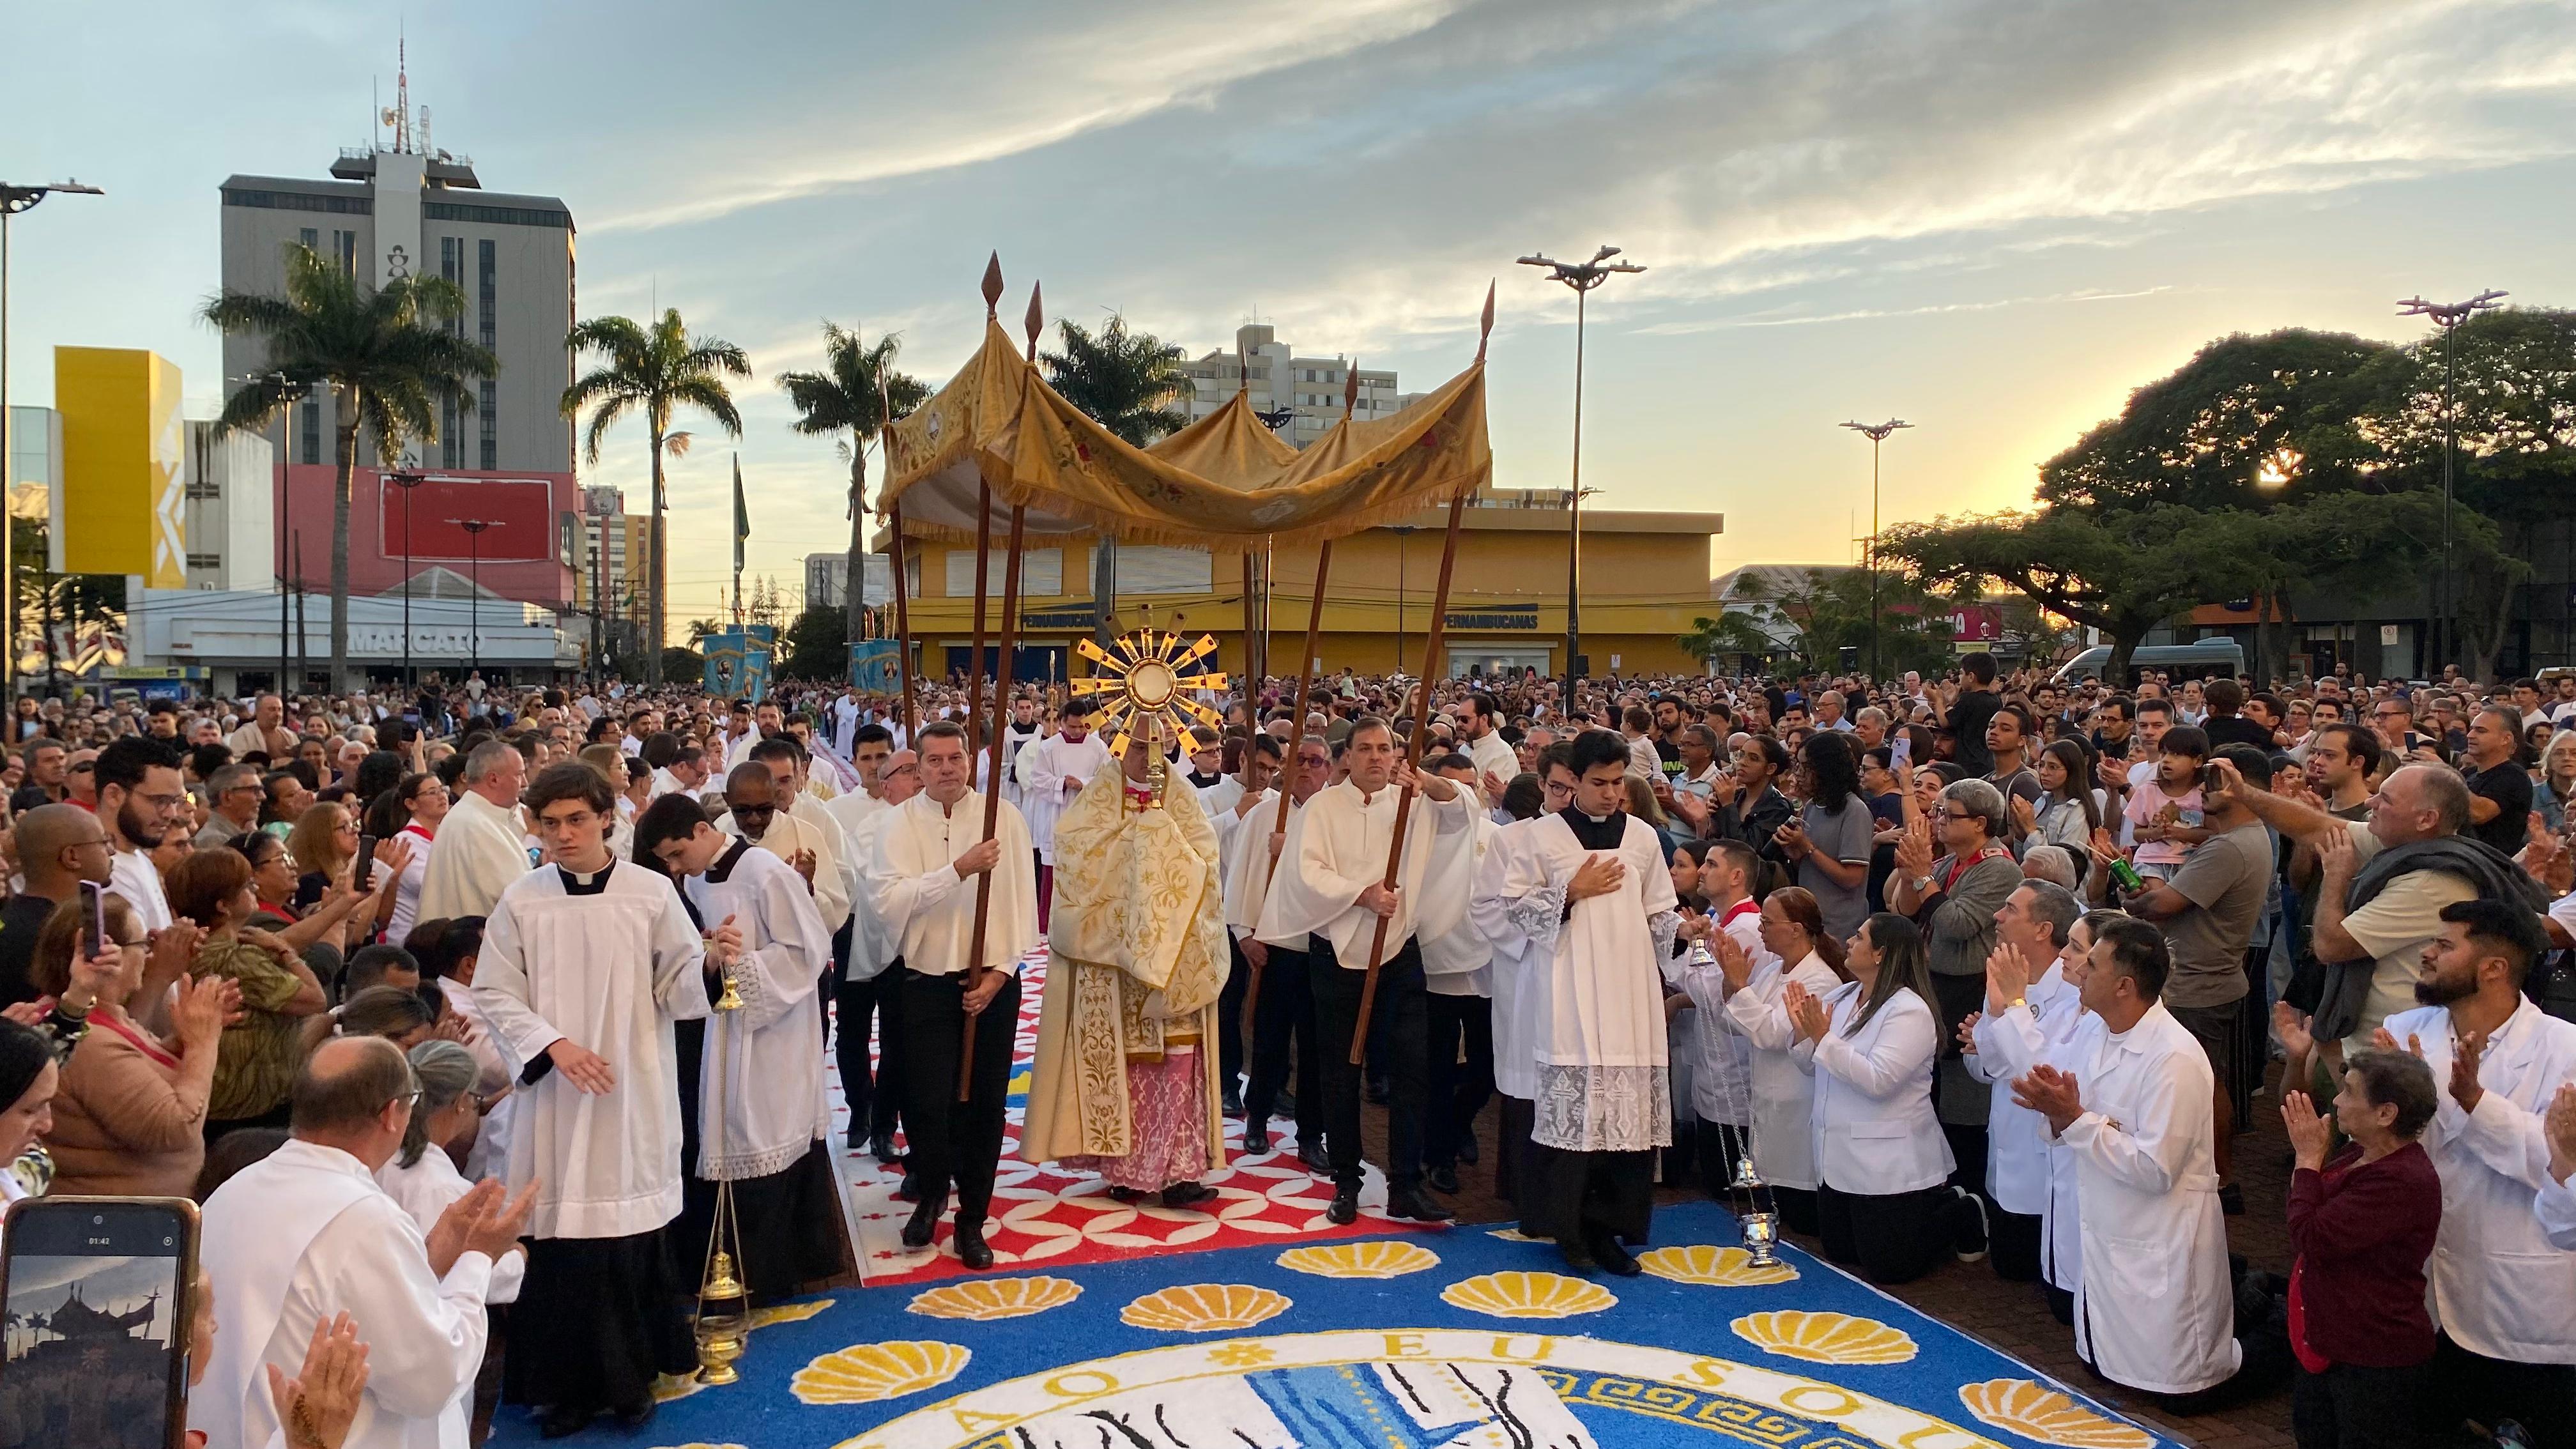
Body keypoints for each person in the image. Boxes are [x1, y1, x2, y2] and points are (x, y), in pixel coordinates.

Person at [470, 762, 714, 1436]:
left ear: (607, 816)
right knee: (561, 1248)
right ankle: (565, 1391)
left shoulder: (650, 892)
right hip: (557, 1099)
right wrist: (553, 1045)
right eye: (549, 823)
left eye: (576, 819)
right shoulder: (523, 899)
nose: (562, 834)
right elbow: (493, 991)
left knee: (625, 1242)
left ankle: (632, 1384)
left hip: (630, 1086)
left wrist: (712, 965)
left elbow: (679, 986)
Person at [194, 1036, 531, 1449]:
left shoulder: (235, 1190)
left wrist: (430, 1262)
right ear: (393, 1114)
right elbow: (433, 1378)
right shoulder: (363, 1217)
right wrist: (478, 1258)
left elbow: (328, 1303)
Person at [2368, 899, 2576, 1447]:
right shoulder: (2405, 1028)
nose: (2428, 953)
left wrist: (2474, 1102)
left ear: (2494, 968)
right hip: (2422, 1294)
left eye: (2445, 944)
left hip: (2519, 1305)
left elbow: (2556, 1164)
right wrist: (2389, 1109)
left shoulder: (2564, 1048)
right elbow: (2381, 1153)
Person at [1474, 728, 1680, 1273]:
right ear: (1576, 782)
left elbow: (1659, 909)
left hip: (1630, 989)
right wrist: (1570, 893)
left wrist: (1687, 932)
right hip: (1567, 986)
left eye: (1618, 782)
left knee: (1624, 1119)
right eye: (1598, 783)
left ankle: (1610, 1230)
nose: (1610, 793)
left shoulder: (1640, 837)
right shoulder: (1541, 837)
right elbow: (1513, 908)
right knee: (1576, 1114)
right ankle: (1567, 1229)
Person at [2012, 915, 2241, 1402]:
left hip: (2159, 1234)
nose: (2075, 969)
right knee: (2103, 1369)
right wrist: (2055, 1111)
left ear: (2123, 986)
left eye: (2090, 962)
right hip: (2107, 1229)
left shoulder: (2174, 1057)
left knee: (2176, 1390)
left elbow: (2156, 1168)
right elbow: (2074, 1120)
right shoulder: (2096, 1031)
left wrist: (2073, 1118)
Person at [636, 792, 846, 1303]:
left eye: (676, 852)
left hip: (774, 1032)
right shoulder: (697, 878)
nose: (673, 866)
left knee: (766, 1132)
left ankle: (786, 1269)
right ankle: (739, 1267)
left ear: (702, 831)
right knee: (729, 1132)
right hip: (725, 1028)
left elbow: (809, 948)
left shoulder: (763, 871)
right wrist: (712, 958)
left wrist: (742, 967)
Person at [1266, 716, 1474, 1229]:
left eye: (1386, 749)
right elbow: (1306, 872)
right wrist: (1360, 895)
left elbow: (1466, 810)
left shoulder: (1414, 800)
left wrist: (1431, 782)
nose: (1377, 758)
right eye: (1366, 749)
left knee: (1411, 1070)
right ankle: (1346, 1181)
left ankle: (1406, 1184)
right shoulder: (1322, 808)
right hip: (1336, 954)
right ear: (1348, 757)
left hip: (1399, 951)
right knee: (1341, 1071)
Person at [1023, 728, 1229, 1211]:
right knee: (1121, 1066)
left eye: (1158, 747)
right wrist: (1136, 841)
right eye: (1139, 747)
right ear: (1122, 748)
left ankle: (1180, 1173)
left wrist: (1163, 837)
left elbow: (1206, 861)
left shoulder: (1181, 800)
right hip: (1113, 966)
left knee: (1180, 1060)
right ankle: (1126, 1171)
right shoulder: (1097, 800)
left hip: (1175, 959)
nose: (1149, 757)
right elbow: (1075, 860)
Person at [869, 721, 1039, 1271]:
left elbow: (1021, 903)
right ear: (918, 768)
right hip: (925, 983)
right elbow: (891, 902)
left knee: (985, 1104)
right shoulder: (898, 824)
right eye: (935, 760)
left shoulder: (1001, 818)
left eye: (956, 758)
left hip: (990, 984)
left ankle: (973, 1219)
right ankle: (933, 1192)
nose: (947, 769)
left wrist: (999, 975)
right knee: (927, 1102)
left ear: (971, 761)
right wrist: (959, 870)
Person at [2106, 742, 2275, 1208]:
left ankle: (2217, 1180)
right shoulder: (2242, 839)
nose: (2204, 788)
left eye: (2216, 780)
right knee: (2208, 1080)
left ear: (2245, 787)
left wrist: (2134, 895)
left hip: (2198, 982)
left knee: (2201, 1086)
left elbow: (2162, 907)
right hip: (2209, 976)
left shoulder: (2230, 846)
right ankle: (2218, 1178)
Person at [1788, 913, 1964, 1284]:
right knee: (1841, 1254)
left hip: (1887, 1164)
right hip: (1836, 1155)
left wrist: (1823, 1038)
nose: (1849, 942)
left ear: (1881, 954)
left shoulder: (1909, 1011)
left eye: (1860, 936)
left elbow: (1880, 1081)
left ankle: (1958, 1211)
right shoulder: (1842, 995)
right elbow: (1810, 1065)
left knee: (1890, 1271)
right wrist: (1802, 1032)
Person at [2278, 1050, 2441, 1449]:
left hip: (2373, 1359)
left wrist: (2306, 1161)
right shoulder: (2360, 1155)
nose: (2336, 1100)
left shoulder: (2401, 1181)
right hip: (2333, 1345)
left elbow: (2312, 1236)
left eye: (2349, 1092)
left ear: (2386, 1113)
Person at [1890, 776, 2020, 1252]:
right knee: (1942, 1099)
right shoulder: (1948, 861)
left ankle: (1978, 1211)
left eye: (1950, 814)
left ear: (1981, 823)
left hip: (1969, 988)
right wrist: (1910, 873)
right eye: (1938, 813)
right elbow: (1905, 910)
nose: (1939, 820)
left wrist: (1924, 878)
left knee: (1966, 1107)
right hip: (1938, 985)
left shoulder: (1998, 869)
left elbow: (1958, 924)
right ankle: (1957, 1200)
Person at [36, 893, 231, 1196]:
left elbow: (138, 1073)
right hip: (125, 1227)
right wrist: (202, 1044)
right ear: (104, 956)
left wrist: (185, 1036)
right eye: (143, 945)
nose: (150, 955)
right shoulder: (88, 1044)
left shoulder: (101, 1019)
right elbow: (174, 1128)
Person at [1702, 875, 1844, 1233]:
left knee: (1800, 1214)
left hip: (1798, 1100)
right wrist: (1729, 980)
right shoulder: (1772, 971)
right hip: (1767, 1098)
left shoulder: (1820, 980)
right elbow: (1731, 1022)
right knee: (1772, 1197)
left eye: (1768, 922)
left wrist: (1738, 986)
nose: (1761, 929)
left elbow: (1771, 1035)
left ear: (1796, 929)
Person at [1959, 882, 2082, 1282]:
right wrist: (1992, 1031)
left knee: (2049, 1281)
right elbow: (1982, 1069)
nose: (1997, 916)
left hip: (2047, 1157)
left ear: (2043, 930)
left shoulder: (2073, 993)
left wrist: (1998, 1027)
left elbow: (2041, 1074)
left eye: (2010, 909)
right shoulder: (2006, 976)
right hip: (2007, 1147)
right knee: (2009, 1267)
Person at [170, 848, 329, 1140]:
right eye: (245, 886)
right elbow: (315, 1000)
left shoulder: (192, 948)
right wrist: (287, 953)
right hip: (251, 1113)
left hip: (218, 1102)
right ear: (223, 906)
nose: (254, 886)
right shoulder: (238, 960)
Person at [1234, 734, 1334, 1168]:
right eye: (1300, 761)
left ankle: (1311, 1135)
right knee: (1270, 1039)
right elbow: (1240, 873)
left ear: (1330, 768)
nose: (1308, 768)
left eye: (1317, 761)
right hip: (1276, 944)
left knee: (1317, 1048)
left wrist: (1289, 849)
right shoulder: (1263, 815)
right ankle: (1257, 1117)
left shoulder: (1337, 816)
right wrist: (1244, 933)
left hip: (1325, 945)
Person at [835, 746, 917, 1160]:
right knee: (866, 1035)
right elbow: (875, 888)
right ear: (886, 786)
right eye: (909, 771)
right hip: (871, 943)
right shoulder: (871, 829)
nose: (920, 776)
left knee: (903, 1042)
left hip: (916, 947)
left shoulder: (934, 821)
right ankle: (868, 1116)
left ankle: (893, 1126)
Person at [0, 804, 117, 1007]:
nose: (112, 851)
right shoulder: (58, 936)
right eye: (103, 842)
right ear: (72, 857)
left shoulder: (12, 918)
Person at [417, 742, 529, 922]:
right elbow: (520, 896)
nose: (525, 783)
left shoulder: (477, 816)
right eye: (519, 775)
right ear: (493, 779)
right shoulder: (474, 825)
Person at [1023, 703, 1110, 926]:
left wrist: (1083, 783)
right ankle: (1049, 922)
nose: (1077, 731)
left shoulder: (1098, 747)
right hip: (1057, 811)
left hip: (1088, 814)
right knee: (1055, 865)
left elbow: (1108, 778)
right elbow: (1037, 779)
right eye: (1072, 726)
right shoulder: (1050, 747)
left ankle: (1087, 921)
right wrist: (1062, 783)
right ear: (1062, 722)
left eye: (1081, 726)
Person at [1779, 732, 1873, 942]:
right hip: (1807, 920)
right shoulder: (1812, 806)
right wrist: (1795, 852)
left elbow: (1852, 879)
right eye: (1798, 765)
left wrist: (1809, 848)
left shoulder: (1854, 811)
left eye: (1806, 767)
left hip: (1837, 927)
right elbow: (1810, 866)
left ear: (1825, 768)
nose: (1799, 774)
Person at [98, 735, 192, 935]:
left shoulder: (140, 857)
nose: (171, 814)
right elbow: (130, 964)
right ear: (113, 795)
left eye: (175, 801)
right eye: (160, 801)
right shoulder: (102, 873)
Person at [2458, 703, 2534, 856]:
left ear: (2506, 739)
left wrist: (2443, 773)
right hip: (2460, 856)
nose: (2470, 735)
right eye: (2472, 729)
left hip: (2490, 866)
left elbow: (2479, 813)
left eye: (2481, 731)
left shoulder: (2513, 775)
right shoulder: (2468, 773)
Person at [383, 773, 448, 947]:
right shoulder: (406, 841)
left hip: (438, 931)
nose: (442, 796)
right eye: (432, 792)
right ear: (411, 803)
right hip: (408, 937)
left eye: (442, 790)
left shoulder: (447, 833)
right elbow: (425, 884)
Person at [197, 765, 268, 849]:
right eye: (255, 790)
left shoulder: (243, 833)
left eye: (261, 790)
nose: (263, 797)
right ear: (226, 797)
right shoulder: (214, 841)